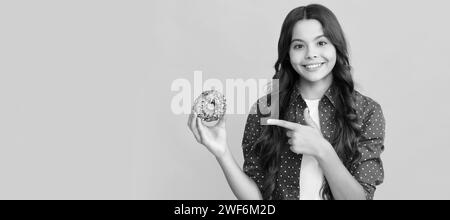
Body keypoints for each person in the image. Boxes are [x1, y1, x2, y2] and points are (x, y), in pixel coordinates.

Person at [187, 4, 385, 200]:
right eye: (299, 45)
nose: (311, 54)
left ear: (336, 46)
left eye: (321, 43)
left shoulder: (366, 111)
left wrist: (322, 149)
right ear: (288, 54)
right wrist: (222, 153)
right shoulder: (265, 110)